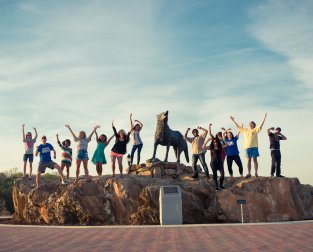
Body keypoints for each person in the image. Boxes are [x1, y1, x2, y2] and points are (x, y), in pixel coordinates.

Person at [230, 113, 268, 178]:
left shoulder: (255, 129)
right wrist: (233, 120)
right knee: (248, 160)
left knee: (255, 160)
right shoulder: (245, 130)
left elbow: (261, 125)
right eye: (249, 124)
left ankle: (256, 173)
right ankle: (249, 173)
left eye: (251, 124)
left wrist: (264, 117)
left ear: (254, 125)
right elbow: (238, 126)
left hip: (254, 147)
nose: (250, 124)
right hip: (247, 147)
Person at [203, 125, 226, 190]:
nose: (215, 142)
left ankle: (221, 185)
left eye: (216, 141)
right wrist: (207, 141)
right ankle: (216, 186)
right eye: (214, 142)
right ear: (213, 142)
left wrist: (223, 139)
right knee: (215, 175)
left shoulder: (220, 147)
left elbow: (227, 145)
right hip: (213, 162)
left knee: (222, 175)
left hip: (220, 162)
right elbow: (203, 147)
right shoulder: (211, 147)